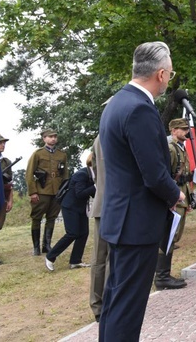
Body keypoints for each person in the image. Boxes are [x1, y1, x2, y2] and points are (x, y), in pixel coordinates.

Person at [98, 41, 186, 341]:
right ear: (161, 74)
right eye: (170, 74)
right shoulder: (140, 109)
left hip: (121, 218)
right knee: (127, 308)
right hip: (136, 223)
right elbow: (153, 173)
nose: (169, 80)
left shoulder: (117, 103)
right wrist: (176, 194)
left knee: (115, 302)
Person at [153, 118, 192, 290]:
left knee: (172, 237)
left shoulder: (179, 147)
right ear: (173, 130)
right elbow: (166, 176)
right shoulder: (170, 148)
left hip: (180, 197)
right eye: (182, 129)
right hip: (174, 198)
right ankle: (161, 276)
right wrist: (171, 199)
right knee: (167, 238)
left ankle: (164, 273)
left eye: (186, 128)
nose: (186, 132)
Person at [45, 153, 96, 271]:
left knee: (83, 233)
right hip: (70, 207)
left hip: (80, 208)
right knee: (72, 233)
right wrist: (96, 187)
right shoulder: (81, 174)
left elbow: (91, 193)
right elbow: (80, 193)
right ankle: (50, 256)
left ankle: (75, 261)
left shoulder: (93, 175)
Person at [25, 128, 69, 256]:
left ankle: (47, 245)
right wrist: (33, 192)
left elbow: (65, 174)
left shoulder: (62, 155)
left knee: (52, 218)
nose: (53, 139)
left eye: (55, 136)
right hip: (42, 191)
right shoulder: (38, 154)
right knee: (37, 218)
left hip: (57, 191)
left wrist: (64, 190)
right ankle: (36, 247)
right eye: (50, 137)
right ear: (44, 138)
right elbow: (29, 174)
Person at [89, 135, 109, 322]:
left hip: (102, 202)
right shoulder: (118, 131)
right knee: (111, 257)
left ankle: (98, 305)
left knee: (99, 257)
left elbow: (95, 169)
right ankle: (108, 303)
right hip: (117, 204)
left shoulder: (98, 138)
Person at [0, 134, 15, 265]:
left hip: (1, 195)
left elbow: (10, 184)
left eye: (4, 143)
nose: (2, 145)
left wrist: (10, 200)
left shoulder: (6, 162)